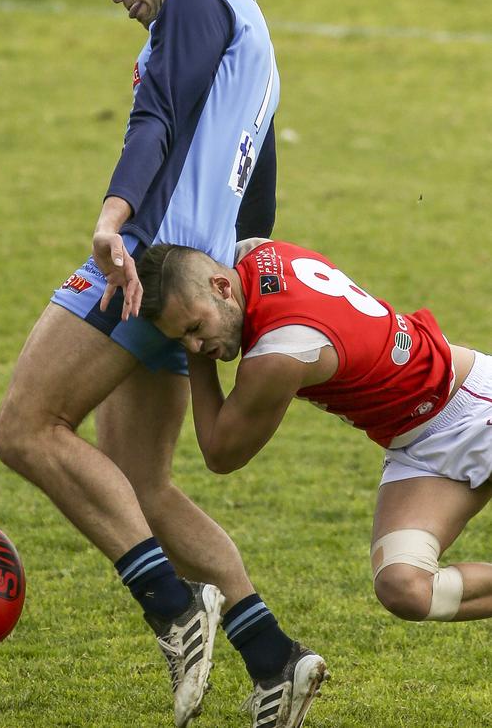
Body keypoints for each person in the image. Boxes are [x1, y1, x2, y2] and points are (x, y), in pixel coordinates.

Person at [0, 0, 326, 728]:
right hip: (198, 280)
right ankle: (274, 658)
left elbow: (158, 115)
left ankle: (175, 612)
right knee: (142, 482)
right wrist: (238, 281)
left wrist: (115, 221)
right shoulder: (249, 24)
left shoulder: (194, 3)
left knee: (27, 428)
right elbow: (263, 185)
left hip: (148, 265)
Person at [137, 237, 492, 632]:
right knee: (403, 587)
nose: (195, 344)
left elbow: (221, 455)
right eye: (181, 340)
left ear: (222, 287)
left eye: (195, 328)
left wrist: (194, 359)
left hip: (475, 405)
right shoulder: (254, 250)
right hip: (414, 444)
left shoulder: (280, 351)